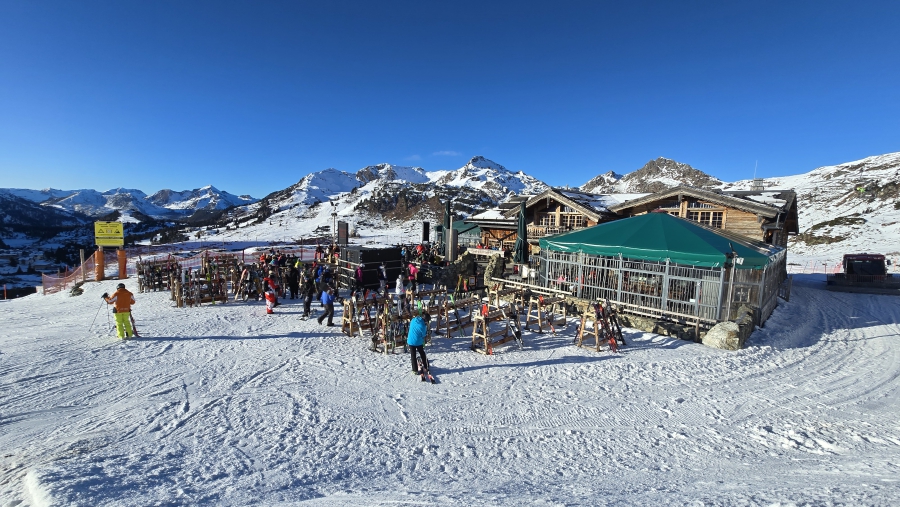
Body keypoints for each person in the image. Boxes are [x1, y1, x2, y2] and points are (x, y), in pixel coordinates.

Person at [407, 311, 430, 375]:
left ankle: (415, 370)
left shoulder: (414, 320)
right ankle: (425, 366)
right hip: (418, 342)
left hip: (410, 341)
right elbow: (423, 335)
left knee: (413, 355)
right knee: (422, 353)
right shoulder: (423, 326)